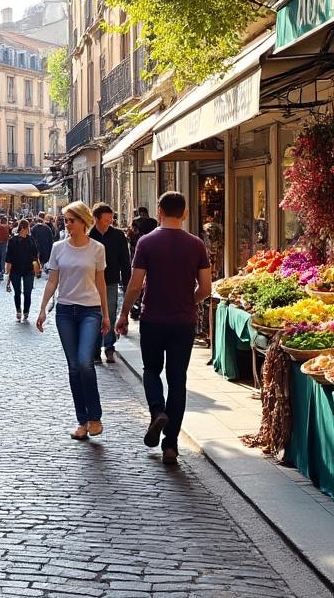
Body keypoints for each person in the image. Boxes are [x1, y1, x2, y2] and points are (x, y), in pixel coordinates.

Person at [116, 191, 212, 466]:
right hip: (183, 321)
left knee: (151, 370)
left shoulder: (146, 243)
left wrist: (124, 314)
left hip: (153, 319)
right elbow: (205, 288)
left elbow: (135, 285)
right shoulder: (196, 245)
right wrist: (187, 301)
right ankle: (171, 445)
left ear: (159, 211)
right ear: (184, 213)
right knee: (178, 379)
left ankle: (157, 409)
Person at [36, 202, 109, 441]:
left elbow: (101, 283)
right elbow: (52, 281)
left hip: (91, 310)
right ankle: (82, 421)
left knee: (85, 362)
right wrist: (43, 309)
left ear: (84, 222)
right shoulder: (58, 248)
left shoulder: (97, 249)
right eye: (65, 220)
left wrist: (106, 314)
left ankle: (95, 417)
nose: (67, 224)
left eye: (71, 220)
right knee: (74, 367)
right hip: (65, 312)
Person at [89, 203, 131, 364]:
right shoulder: (89, 235)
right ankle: (94, 351)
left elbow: (125, 261)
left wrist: (127, 282)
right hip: (90, 282)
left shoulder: (118, 235)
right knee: (94, 316)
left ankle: (109, 347)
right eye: (106, 220)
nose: (109, 222)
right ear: (96, 219)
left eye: (110, 219)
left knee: (110, 315)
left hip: (111, 281)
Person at [4, 219, 41, 322]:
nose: (28, 230)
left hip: (28, 270)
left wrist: (37, 267)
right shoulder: (14, 240)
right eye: (27, 228)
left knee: (27, 292)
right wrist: (8, 273)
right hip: (16, 270)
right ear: (24, 228)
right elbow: (9, 258)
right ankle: (19, 311)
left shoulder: (30, 240)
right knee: (17, 292)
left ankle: (26, 311)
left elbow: (35, 256)